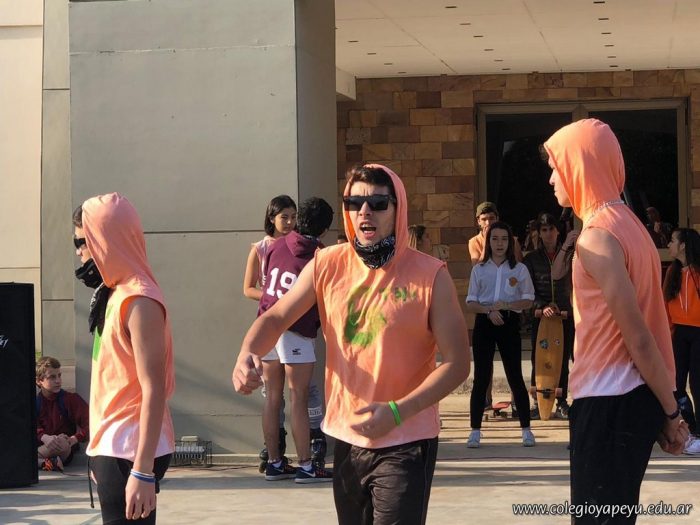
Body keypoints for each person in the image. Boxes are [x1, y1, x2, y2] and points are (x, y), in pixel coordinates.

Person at [233, 164, 470, 524]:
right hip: (346, 436)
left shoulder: (431, 275)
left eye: (378, 203)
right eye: (354, 203)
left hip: (406, 440)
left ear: (398, 209)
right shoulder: (327, 263)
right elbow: (277, 316)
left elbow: (457, 363)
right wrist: (247, 351)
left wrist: (397, 411)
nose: (365, 211)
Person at [543, 118, 688, 524]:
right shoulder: (632, 227)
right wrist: (664, 406)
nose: (552, 179)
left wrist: (672, 412)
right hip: (630, 397)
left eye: (556, 166)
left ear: (579, 165)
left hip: (608, 400)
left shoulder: (597, 237)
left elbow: (638, 335)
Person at [73, 193, 176, 524]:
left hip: (130, 448)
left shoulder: (139, 300)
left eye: (82, 242)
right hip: (112, 444)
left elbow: (153, 388)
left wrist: (143, 471)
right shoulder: (113, 293)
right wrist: (97, 449)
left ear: (104, 240)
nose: (79, 252)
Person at [242, 195, 327, 472]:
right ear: (325, 229)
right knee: (298, 397)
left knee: (273, 397)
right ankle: (306, 465)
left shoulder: (274, 245)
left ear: (300, 220)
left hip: (267, 326)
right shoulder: (319, 253)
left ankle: (275, 462)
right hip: (296, 329)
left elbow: (266, 286)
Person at [465, 221, 536, 448]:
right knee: (481, 377)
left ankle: (526, 429)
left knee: (515, 376)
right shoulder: (479, 269)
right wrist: (489, 310)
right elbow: (471, 302)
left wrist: (507, 305)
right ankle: (475, 430)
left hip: (509, 321)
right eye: (495, 239)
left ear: (510, 242)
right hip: (485, 322)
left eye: (504, 239)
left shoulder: (519, 269)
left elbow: (528, 299)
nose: (499, 244)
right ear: (488, 242)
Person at [523, 213, 576, 420]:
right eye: (543, 230)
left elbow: (574, 284)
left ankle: (561, 402)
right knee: (539, 359)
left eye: (551, 229)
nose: (548, 234)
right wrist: (541, 306)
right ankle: (538, 403)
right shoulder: (531, 259)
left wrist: (569, 308)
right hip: (541, 319)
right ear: (539, 233)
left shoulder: (570, 255)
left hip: (565, 316)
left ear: (558, 231)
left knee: (562, 359)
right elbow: (527, 290)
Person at [664, 228, 700, 455]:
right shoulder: (672, 271)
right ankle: (692, 427)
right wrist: (667, 334)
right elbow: (664, 305)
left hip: (698, 332)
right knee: (675, 385)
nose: (669, 245)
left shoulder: (698, 271)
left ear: (684, 245)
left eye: (672, 241)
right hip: (679, 333)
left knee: (697, 385)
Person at [36, 356, 89, 471]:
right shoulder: (35, 403)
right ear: (39, 381)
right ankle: (47, 463)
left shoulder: (71, 399)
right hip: (42, 447)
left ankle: (36, 461)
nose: (58, 381)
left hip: (64, 448)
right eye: (52, 377)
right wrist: (44, 437)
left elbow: (92, 423)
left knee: (61, 441)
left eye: (59, 375)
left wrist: (74, 439)